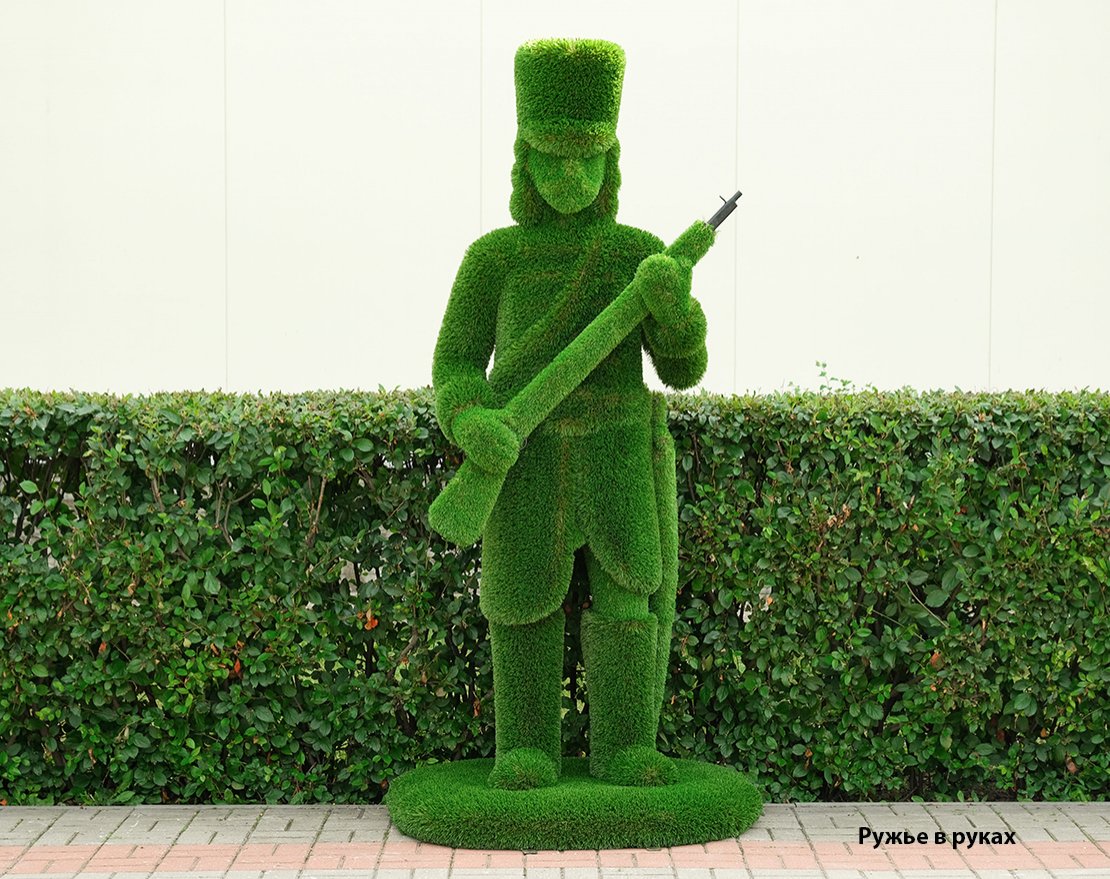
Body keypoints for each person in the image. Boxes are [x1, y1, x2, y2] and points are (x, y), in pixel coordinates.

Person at [431, 38, 711, 790]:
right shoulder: (493, 258)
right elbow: (455, 364)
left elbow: (682, 370)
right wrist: (468, 418)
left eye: (588, 159)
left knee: (628, 596)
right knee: (521, 606)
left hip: (618, 452)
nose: (571, 177)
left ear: (610, 159)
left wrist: (677, 313)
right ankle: (525, 747)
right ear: (525, 158)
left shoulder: (638, 255)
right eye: (554, 158)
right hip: (524, 456)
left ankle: (625, 747)